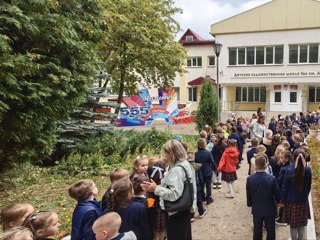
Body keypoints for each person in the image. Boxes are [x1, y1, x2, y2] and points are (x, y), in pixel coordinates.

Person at [141, 139, 197, 240]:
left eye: (165, 153)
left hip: (176, 212)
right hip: (184, 209)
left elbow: (174, 194)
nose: (163, 155)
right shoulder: (184, 164)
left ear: (171, 154)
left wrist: (156, 189)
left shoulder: (177, 170)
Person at [280, 149, 312, 240]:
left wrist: (282, 200)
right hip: (303, 200)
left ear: (293, 158)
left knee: (293, 225)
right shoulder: (308, 170)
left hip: (291, 201)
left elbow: (284, 188)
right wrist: (305, 195)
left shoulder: (289, 170)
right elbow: (309, 186)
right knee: (302, 224)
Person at [246, 155, 280, 240]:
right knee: (271, 230)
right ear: (266, 165)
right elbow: (277, 193)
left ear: (255, 165)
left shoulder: (250, 179)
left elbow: (249, 193)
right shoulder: (272, 178)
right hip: (269, 208)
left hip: (257, 208)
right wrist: (279, 201)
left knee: (257, 230)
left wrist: (249, 203)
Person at [195, 138, 216, 205]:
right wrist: (215, 168)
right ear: (205, 145)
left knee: (201, 185)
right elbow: (212, 162)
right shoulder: (208, 153)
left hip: (199, 171)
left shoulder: (196, 154)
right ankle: (209, 198)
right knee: (208, 185)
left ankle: (202, 197)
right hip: (207, 171)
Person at [187, 152, 207, 221]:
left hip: (188, 187)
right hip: (196, 185)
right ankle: (201, 212)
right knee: (198, 199)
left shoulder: (185, 166)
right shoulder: (197, 166)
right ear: (193, 157)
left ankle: (191, 216)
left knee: (190, 200)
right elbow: (200, 178)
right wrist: (202, 186)